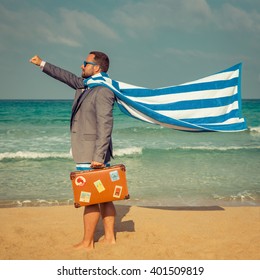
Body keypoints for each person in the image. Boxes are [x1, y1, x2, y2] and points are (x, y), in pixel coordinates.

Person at [30, 51, 116, 250]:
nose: (81, 66)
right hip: (91, 151)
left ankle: (87, 243)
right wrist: (41, 63)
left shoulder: (103, 90)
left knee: (91, 199)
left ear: (97, 68)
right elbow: (65, 76)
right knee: (104, 196)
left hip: (92, 154)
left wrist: (98, 157)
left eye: (85, 63)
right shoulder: (85, 85)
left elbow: (105, 126)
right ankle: (110, 238)